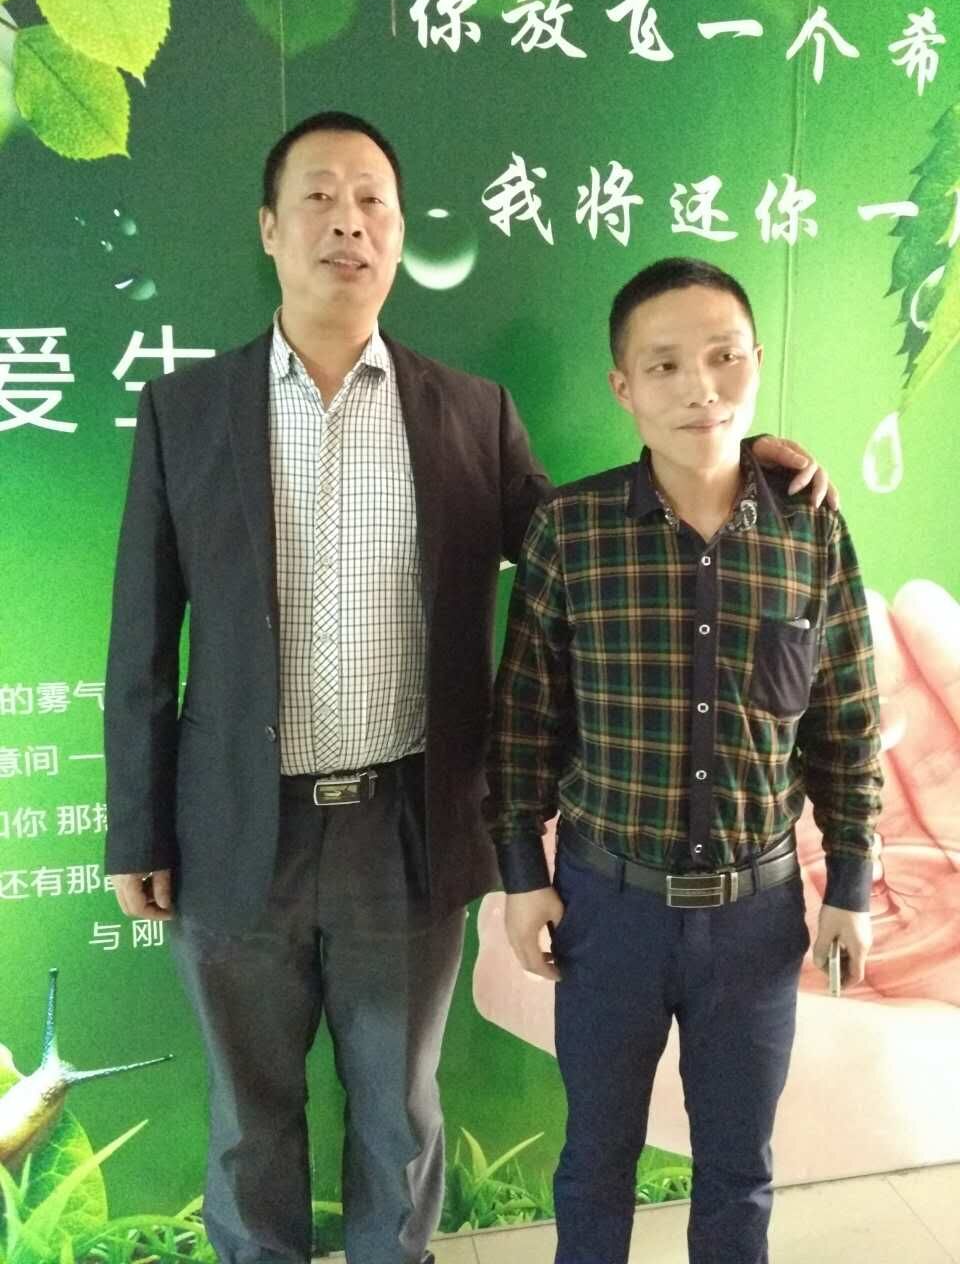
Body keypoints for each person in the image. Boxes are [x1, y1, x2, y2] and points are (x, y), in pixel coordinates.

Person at [102, 111, 834, 1264]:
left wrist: (732, 461)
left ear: (399, 233)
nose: (349, 221)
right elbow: (141, 637)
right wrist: (135, 825)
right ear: (269, 229)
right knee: (249, 1120)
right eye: (319, 197)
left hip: (406, 825)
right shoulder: (184, 410)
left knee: (400, 1115)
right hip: (234, 826)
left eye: (373, 201)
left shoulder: (469, 410)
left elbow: (591, 545)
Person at [485, 256, 883, 1264]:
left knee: (740, 1168)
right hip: (606, 910)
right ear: (623, 386)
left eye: (722, 356)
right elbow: (524, 720)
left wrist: (852, 884)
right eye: (664, 365)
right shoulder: (571, 532)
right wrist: (523, 877)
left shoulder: (810, 529)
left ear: (757, 362)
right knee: (596, 1158)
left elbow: (846, 720)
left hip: (757, 917)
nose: (699, 386)